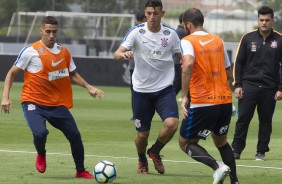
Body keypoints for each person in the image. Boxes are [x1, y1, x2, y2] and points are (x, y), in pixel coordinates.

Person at [0, 16, 104, 179]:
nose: (51, 35)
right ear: (41, 31)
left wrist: (88, 87)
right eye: (48, 31)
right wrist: (5, 97)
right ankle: (41, 153)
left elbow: (72, 74)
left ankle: (80, 170)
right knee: (40, 133)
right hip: (33, 102)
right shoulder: (30, 51)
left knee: (75, 135)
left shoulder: (64, 52)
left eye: (54, 32)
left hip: (56, 104)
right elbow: (11, 73)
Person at [114, 0, 180, 175]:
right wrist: (123, 53)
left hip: (164, 89)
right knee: (142, 135)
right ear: (145, 13)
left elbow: (182, 54)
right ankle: (142, 158)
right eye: (149, 13)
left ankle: (155, 151)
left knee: (172, 124)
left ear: (162, 14)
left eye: (155, 13)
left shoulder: (171, 34)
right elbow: (117, 53)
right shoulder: (136, 33)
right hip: (141, 91)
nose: (152, 17)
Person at [179, 8, 239, 184]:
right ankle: (234, 182)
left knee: (185, 143)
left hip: (202, 102)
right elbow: (228, 71)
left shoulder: (187, 41)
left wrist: (184, 96)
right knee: (221, 142)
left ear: (188, 24)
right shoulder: (218, 40)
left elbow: (188, 64)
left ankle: (217, 167)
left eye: (184, 26)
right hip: (225, 101)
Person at [231, 6, 282, 161]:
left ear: (273, 20)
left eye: (267, 20)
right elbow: (238, 63)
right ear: (258, 20)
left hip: (270, 88)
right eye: (261, 20)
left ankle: (261, 152)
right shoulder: (247, 38)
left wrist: (281, 88)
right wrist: (237, 85)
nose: (264, 23)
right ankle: (236, 150)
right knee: (243, 118)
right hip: (249, 86)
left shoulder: (280, 39)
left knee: (265, 121)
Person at [128, 11, 146, 120]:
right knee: (137, 90)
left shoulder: (131, 31)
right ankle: (138, 114)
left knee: (135, 90)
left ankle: (137, 114)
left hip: (134, 65)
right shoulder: (137, 32)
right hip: (137, 65)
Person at [173, 12, 186, 95]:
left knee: (177, 84)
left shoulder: (178, 31)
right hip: (180, 61)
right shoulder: (182, 32)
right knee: (186, 84)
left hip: (177, 61)